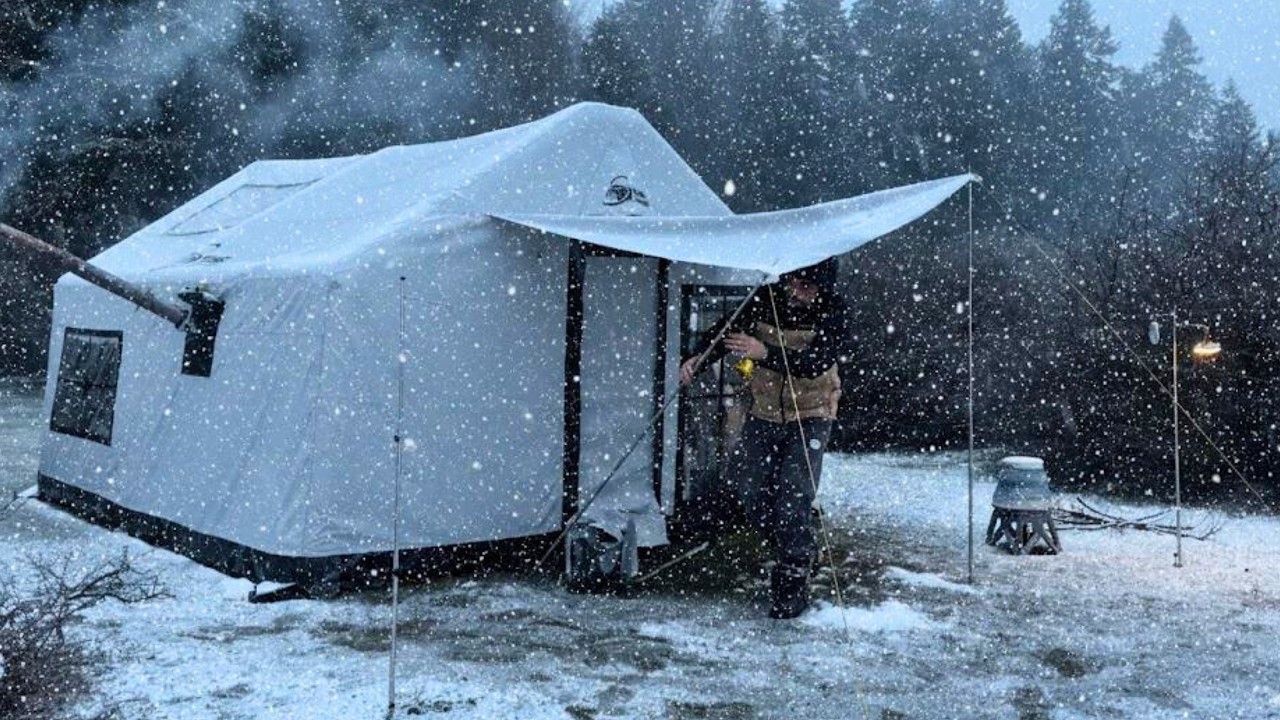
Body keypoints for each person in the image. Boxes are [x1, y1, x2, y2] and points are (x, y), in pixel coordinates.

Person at [679, 258, 848, 619]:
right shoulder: (766, 299)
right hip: (764, 410)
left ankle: (792, 575)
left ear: (822, 288)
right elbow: (728, 333)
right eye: (794, 284)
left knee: (794, 491)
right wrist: (699, 358)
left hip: (813, 414)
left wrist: (764, 351)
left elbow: (815, 363)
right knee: (748, 485)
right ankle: (794, 544)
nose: (797, 292)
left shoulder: (834, 312)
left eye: (807, 286)